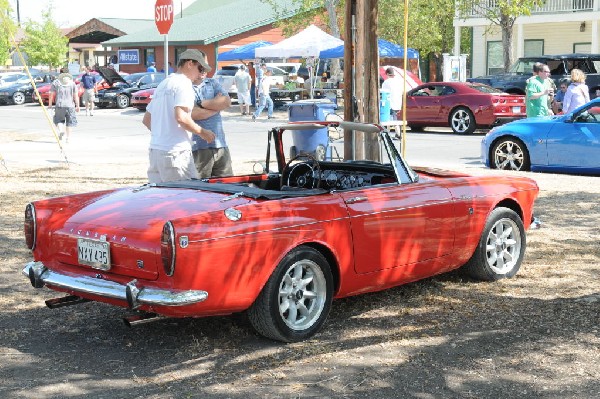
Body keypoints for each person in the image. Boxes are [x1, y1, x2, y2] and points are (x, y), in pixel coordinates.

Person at [142, 49, 216, 184]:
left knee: (160, 200)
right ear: (190, 63)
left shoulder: (163, 84)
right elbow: (181, 117)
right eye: (200, 69)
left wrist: (164, 134)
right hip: (176, 154)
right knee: (184, 198)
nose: (201, 74)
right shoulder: (184, 84)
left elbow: (147, 120)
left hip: (156, 152)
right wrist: (203, 132)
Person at [191, 62, 233, 178]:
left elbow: (227, 102)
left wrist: (200, 104)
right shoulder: (186, 87)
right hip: (199, 146)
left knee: (228, 184)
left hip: (220, 144)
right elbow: (193, 114)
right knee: (202, 188)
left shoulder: (213, 83)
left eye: (205, 68)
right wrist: (215, 107)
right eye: (200, 68)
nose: (204, 71)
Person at [49, 68, 80, 143]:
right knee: (69, 123)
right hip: (70, 105)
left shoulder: (56, 82)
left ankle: (60, 131)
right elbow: (76, 96)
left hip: (59, 104)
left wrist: (50, 104)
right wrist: (77, 105)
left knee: (58, 120)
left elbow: (51, 94)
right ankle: (68, 138)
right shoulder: (72, 83)